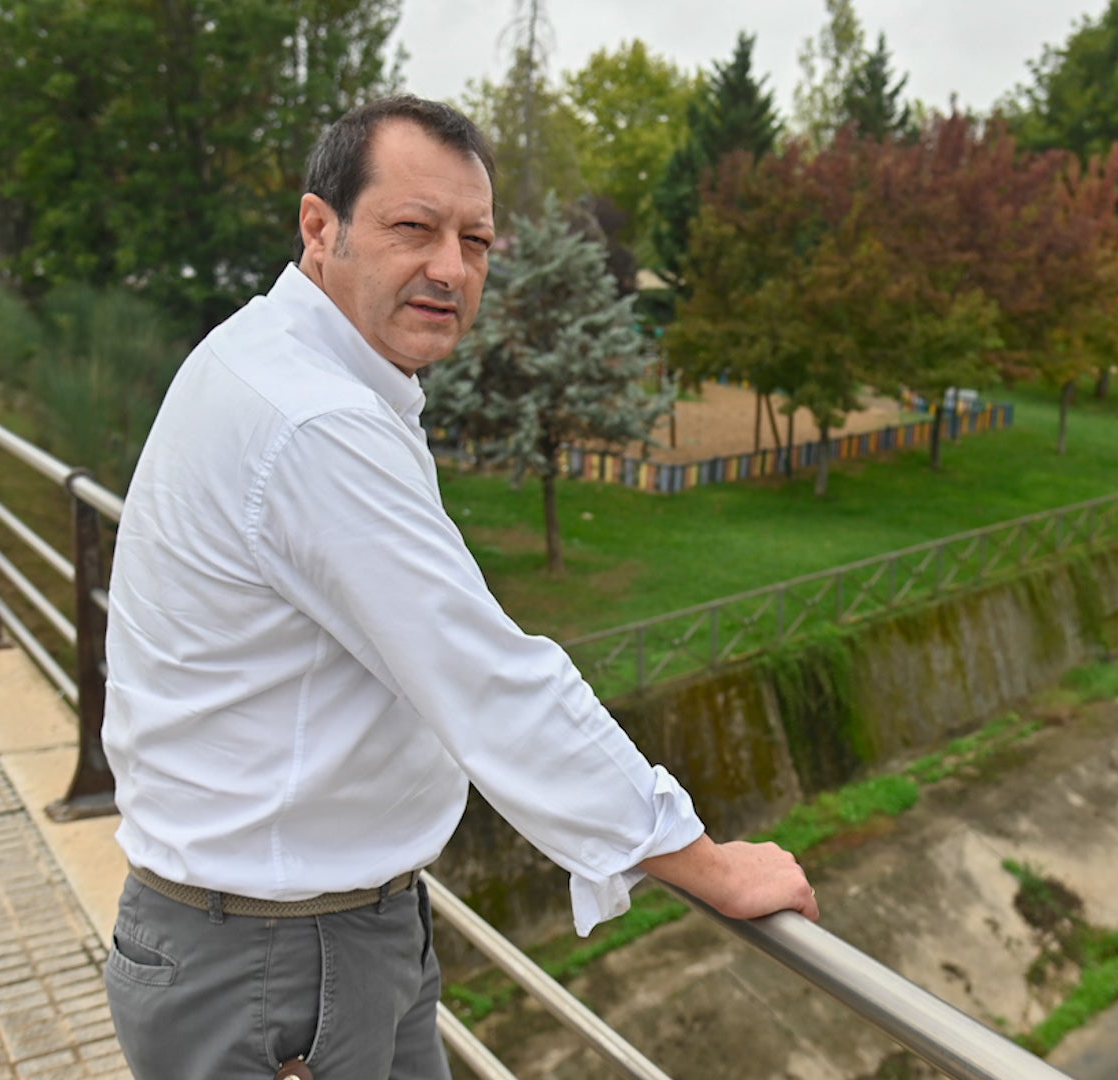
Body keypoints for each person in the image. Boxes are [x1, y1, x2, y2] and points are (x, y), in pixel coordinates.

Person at [100, 95, 817, 1080]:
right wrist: (707, 864)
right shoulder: (314, 424)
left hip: (325, 937)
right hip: (279, 971)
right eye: (414, 228)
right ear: (322, 228)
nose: (450, 266)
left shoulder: (276, 362)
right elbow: (490, 683)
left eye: (475, 240)